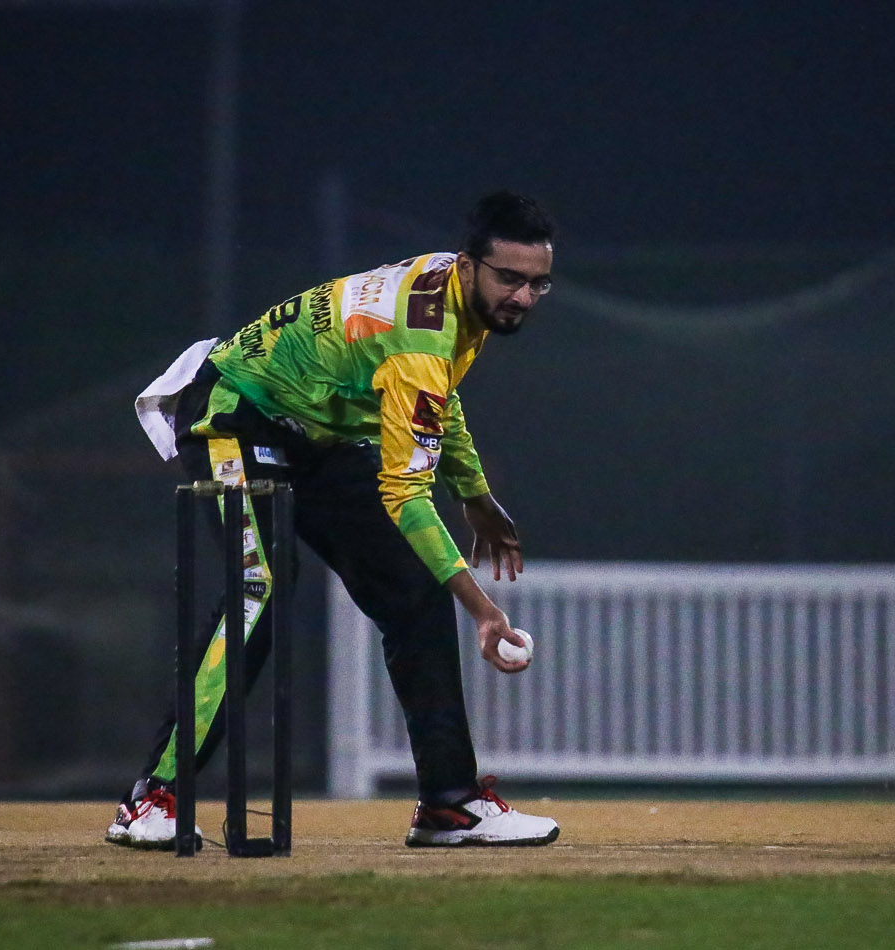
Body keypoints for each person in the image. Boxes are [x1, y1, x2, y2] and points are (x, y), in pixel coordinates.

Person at [108, 191, 562, 849]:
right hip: (233, 413)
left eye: (537, 284)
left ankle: (450, 804)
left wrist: (474, 493)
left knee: (414, 589)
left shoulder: (454, 294)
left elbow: (436, 398)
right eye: (510, 279)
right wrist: (484, 611)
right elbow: (406, 494)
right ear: (467, 265)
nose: (522, 297)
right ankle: (152, 798)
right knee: (260, 587)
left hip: (315, 432)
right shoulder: (421, 336)